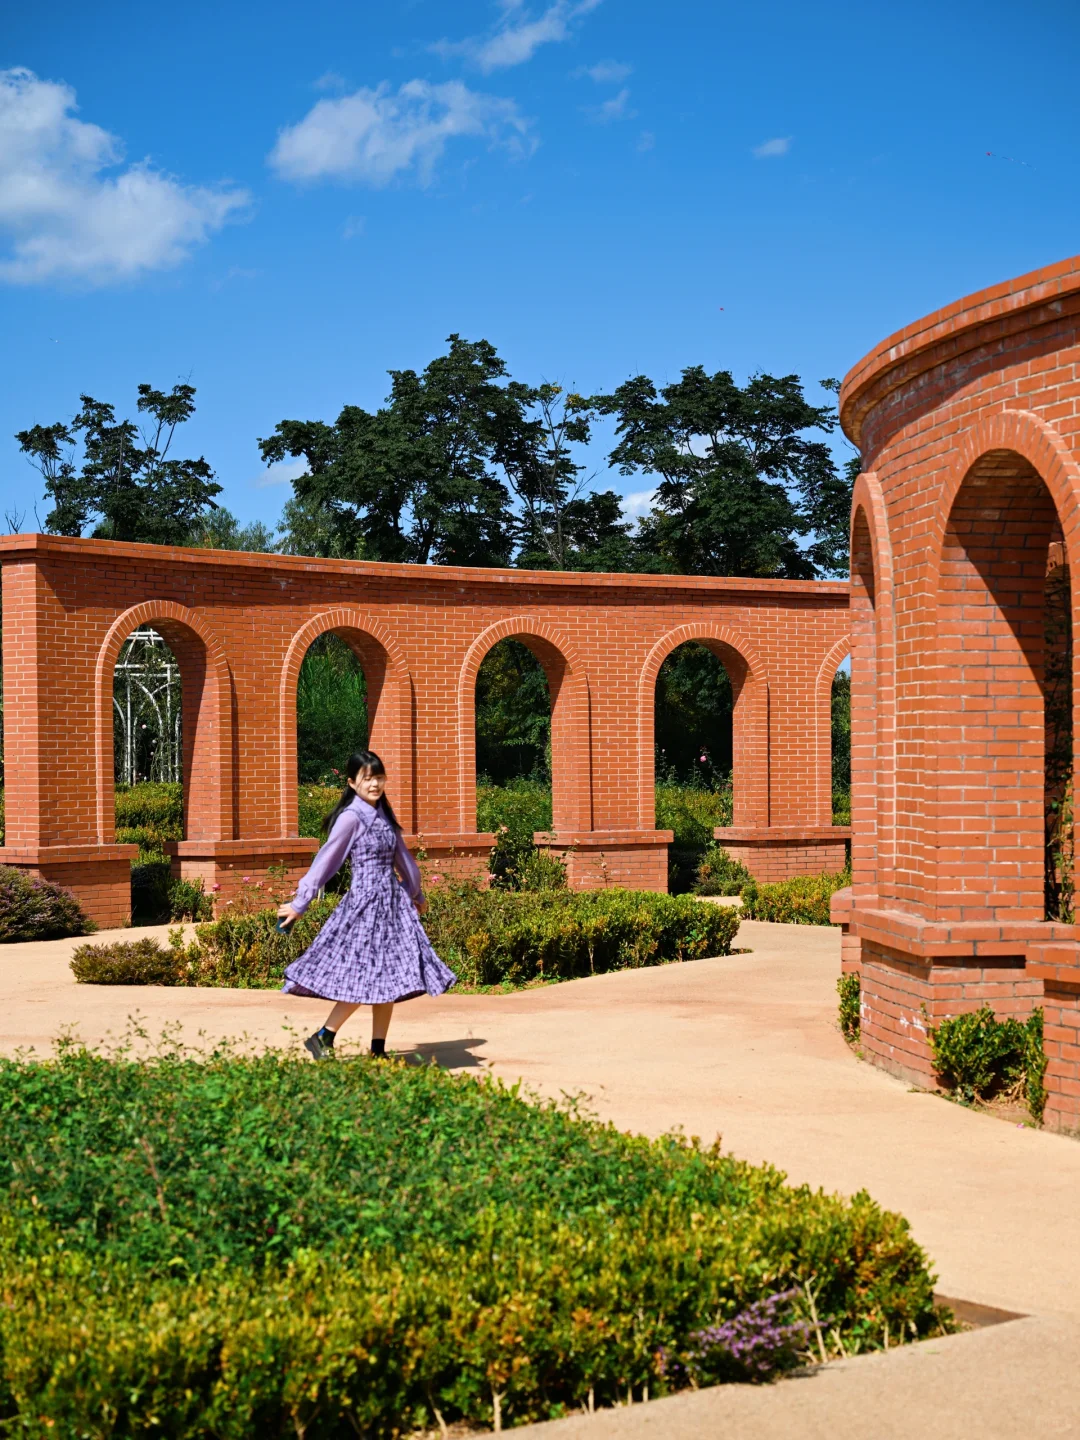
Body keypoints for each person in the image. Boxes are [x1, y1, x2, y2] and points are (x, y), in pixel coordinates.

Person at [277, 749, 456, 1060]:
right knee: (365, 976)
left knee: (388, 978)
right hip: (364, 908)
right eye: (367, 778)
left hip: (392, 908)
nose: (375, 784)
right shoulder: (351, 818)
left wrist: (416, 895)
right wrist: (300, 903)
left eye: (379, 777)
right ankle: (324, 1036)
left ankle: (377, 1049)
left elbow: (404, 860)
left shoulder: (384, 816)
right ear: (352, 782)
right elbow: (326, 861)